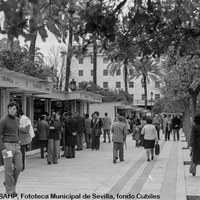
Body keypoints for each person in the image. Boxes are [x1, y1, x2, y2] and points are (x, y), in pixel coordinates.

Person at [0, 102, 22, 194]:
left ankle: (8, 183)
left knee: (19, 167)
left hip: (17, 146)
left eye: (14, 108)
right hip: (7, 146)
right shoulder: (3, 120)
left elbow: (17, 132)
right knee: (8, 169)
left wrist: (19, 141)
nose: (12, 110)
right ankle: (10, 191)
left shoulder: (17, 119)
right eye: (10, 108)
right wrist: (2, 148)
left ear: (16, 110)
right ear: (8, 109)